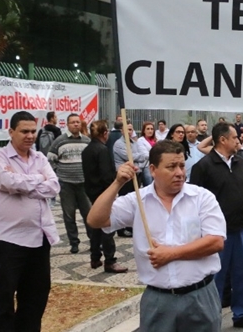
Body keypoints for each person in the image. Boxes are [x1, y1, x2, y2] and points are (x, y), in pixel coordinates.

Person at [87, 141, 226, 331]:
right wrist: (118, 183)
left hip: (200, 296)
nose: (179, 172)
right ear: (153, 169)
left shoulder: (202, 198)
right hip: (158, 300)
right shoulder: (138, 200)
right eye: (171, 167)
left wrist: (171, 254)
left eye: (182, 165)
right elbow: (95, 220)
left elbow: (215, 242)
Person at [0, 111, 60, 332]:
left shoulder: (40, 157)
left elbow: (54, 186)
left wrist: (24, 182)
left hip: (39, 238)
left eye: (33, 131)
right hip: (9, 240)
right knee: (2, 302)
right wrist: (38, 180)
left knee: (35, 300)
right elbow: (8, 182)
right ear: (11, 132)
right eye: (24, 131)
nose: (30, 136)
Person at [189, 123, 243, 329]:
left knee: (241, 274)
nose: (238, 142)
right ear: (222, 140)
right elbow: (193, 202)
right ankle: (211, 318)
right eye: (235, 138)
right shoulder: (203, 167)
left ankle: (242, 314)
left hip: (240, 227)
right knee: (216, 278)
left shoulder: (241, 163)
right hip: (214, 234)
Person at [81, 120, 127, 273]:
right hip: (104, 192)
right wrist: (114, 189)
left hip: (91, 191)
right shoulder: (102, 150)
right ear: (105, 133)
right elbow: (107, 175)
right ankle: (110, 260)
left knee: (96, 227)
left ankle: (95, 257)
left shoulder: (86, 150)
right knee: (107, 226)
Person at [47, 113, 91, 254]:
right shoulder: (60, 141)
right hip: (66, 184)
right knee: (69, 215)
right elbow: (50, 159)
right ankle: (74, 243)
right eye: (72, 122)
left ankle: (93, 241)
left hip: (84, 184)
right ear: (67, 124)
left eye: (78, 122)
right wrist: (58, 173)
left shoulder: (86, 141)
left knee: (89, 214)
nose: (76, 124)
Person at [113, 122, 148, 238]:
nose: (129, 132)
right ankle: (121, 228)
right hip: (125, 175)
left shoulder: (135, 142)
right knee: (125, 199)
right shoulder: (118, 144)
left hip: (136, 173)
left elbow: (143, 155)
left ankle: (132, 226)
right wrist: (137, 157)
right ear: (122, 131)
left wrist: (137, 157)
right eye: (127, 129)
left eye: (131, 129)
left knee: (136, 199)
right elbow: (130, 157)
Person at [137, 122, 158, 186]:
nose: (150, 131)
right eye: (148, 129)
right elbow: (145, 154)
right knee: (149, 184)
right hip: (146, 166)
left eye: (152, 129)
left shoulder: (156, 140)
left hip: (156, 165)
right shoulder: (140, 140)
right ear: (144, 131)